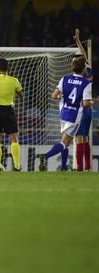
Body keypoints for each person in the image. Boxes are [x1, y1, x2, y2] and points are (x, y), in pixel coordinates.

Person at [39, 54, 92, 171]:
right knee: (64, 142)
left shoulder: (65, 79)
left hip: (63, 113)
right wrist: (92, 101)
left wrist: (63, 97)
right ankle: (45, 156)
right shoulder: (86, 83)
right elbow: (86, 103)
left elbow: (54, 95)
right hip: (74, 117)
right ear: (83, 68)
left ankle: (63, 167)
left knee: (65, 142)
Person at [0, 30, 23, 171]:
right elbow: (20, 95)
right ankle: (16, 165)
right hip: (8, 110)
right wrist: (13, 93)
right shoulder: (14, 81)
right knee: (13, 139)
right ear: (9, 68)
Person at [72, 28, 94, 171]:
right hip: (89, 109)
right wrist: (78, 41)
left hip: (80, 109)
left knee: (78, 139)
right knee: (85, 139)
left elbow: (83, 54)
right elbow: (84, 54)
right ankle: (88, 167)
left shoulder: (75, 77)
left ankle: (79, 168)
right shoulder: (89, 71)